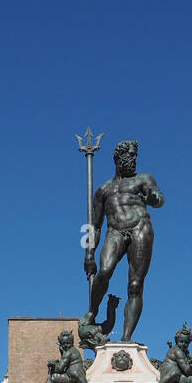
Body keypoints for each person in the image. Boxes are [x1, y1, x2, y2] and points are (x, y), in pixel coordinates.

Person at [82, 139, 164, 343]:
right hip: (115, 230)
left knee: (135, 285)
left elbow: (159, 199)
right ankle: (92, 311)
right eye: (130, 156)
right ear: (118, 159)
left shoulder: (144, 180)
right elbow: (95, 225)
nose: (134, 160)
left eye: (135, 156)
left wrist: (155, 198)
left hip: (140, 228)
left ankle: (127, 338)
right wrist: (89, 254)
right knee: (104, 272)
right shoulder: (103, 190)